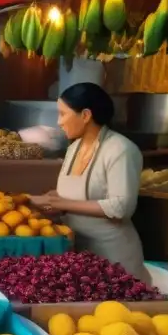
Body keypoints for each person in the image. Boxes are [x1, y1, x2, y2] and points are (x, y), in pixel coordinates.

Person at [30, 83, 150, 281]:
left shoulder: (121, 150)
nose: (58, 122)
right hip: (81, 253)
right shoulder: (74, 148)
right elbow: (73, 197)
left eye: (63, 114)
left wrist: (63, 204)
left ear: (85, 115)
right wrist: (45, 201)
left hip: (114, 257)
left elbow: (121, 207)